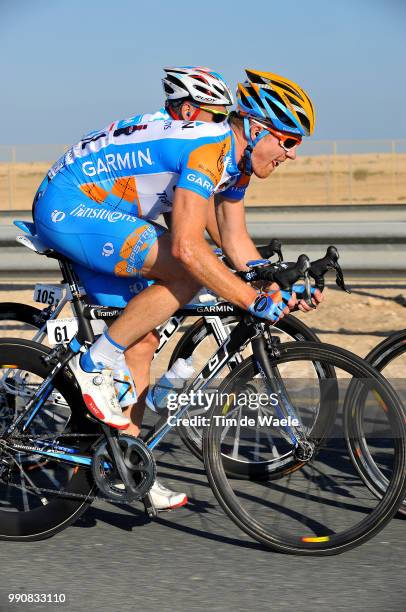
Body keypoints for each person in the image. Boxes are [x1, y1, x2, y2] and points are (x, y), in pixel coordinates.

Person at [33, 68, 319, 508]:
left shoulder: (233, 165)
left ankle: (127, 466)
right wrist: (249, 298)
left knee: (142, 340)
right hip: (71, 205)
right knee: (187, 274)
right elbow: (187, 248)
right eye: (289, 141)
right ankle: (92, 363)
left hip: (101, 212)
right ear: (258, 128)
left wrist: (276, 281)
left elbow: (236, 245)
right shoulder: (208, 147)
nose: (292, 155)